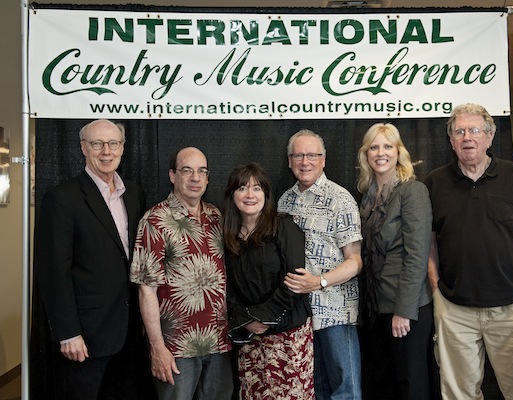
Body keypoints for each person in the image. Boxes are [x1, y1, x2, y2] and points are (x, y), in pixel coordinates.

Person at [425, 103, 513, 400]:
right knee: (458, 395)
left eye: (475, 130)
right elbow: (428, 243)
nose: (467, 137)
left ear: (490, 137)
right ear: (451, 141)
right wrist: (437, 292)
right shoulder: (435, 182)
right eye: (460, 131)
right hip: (455, 311)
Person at [34, 119, 150, 400]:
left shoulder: (134, 194)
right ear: (83, 148)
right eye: (97, 143)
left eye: (113, 143)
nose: (106, 151)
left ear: (123, 148)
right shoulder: (62, 198)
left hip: (129, 333)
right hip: (86, 337)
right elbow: (53, 273)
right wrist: (68, 332)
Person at [130, 147, 233, 400]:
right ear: (172, 175)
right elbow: (146, 290)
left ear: (208, 178)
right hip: (176, 349)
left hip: (219, 343)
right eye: (187, 170)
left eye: (201, 171)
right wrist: (157, 348)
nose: (195, 178)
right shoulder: (155, 221)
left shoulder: (216, 216)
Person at [278, 129, 363, 400]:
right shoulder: (284, 202)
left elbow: (356, 261)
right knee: (312, 390)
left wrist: (319, 281)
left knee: (345, 390)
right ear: (289, 161)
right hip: (298, 316)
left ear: (323, 160)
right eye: (299, 155)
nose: (306, 161)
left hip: (335, 312)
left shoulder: (341, 199)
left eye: (312, 155)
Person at [222, 162, 314, 399]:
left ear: (266, 194)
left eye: (257, 188)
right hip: (250, 338)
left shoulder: (283, 226)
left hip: (287, 336)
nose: (250, 195)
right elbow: (227, 285)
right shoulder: (228, 234)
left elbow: (296, 281)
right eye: (242, 188)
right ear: (232, 195)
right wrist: (246, 319)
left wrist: (263, 317)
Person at [356, 123, 434, 400]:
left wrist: (404, 310)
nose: (381, 153)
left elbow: (417, 255)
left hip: (405, 307)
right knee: (382, 384)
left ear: (399, 152)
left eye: (388, 146)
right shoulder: (367, 196)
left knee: (410, 385)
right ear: (366, 154)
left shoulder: (412, 192)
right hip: (375, 306)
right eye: (374, 147)